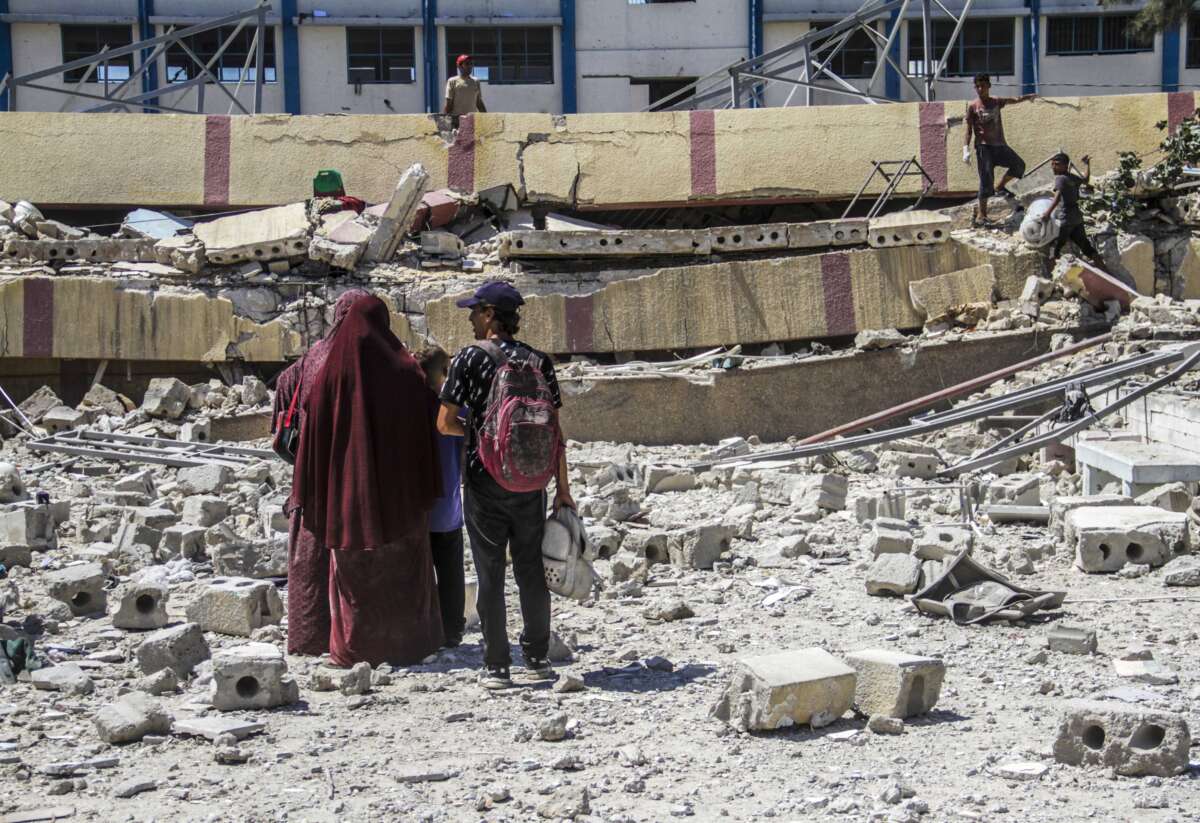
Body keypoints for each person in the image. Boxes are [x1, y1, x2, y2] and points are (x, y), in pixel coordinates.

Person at [290, 294, 445, 666]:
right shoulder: (408, 373)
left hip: (345, 500)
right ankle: (409, 644)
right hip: (402, 498)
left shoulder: (325, 374)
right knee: (403, 570)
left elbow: (310, 440)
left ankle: (351, 648)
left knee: (351, 573)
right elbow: (428, 435)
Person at [436, 281, 574, 690]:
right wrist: (563, 488)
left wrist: (481, 432)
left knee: (490, 571)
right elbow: (556, 431)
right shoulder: (539, 361)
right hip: (532, 482)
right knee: (531, 570)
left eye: (476, 310)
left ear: (491, 314)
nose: (470, 317)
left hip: (484, 481)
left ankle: (497, 667)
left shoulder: (469, 358)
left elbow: (444, 423)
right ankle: (537, 660)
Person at [273, 288, 369, 657]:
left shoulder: (312, 358)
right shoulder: (374, 360)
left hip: (312, 482)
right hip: (356, 483)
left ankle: (310, 636)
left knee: (312, 557)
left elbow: (285, 390)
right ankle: (354, 638)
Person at [415, 345, 466, 649]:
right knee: (450, 571)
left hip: (415, 510)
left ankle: (422, 628)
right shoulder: (451, 409)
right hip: (446, 507)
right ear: (444, 373)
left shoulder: (407, 407)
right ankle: (452, 631)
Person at [963, 74, 1036, 226]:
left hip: (1000, 145)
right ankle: (982, 215)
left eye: (983, 85)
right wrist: (966, 149)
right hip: (984, 148)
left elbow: (1013, 100)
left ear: (989, 86)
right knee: (985, 180)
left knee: (1019, 165)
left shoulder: (996, 102)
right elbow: (969, 130)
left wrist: (1027, 97)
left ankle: (1001, 186)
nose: (980, 89)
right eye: (977, 86)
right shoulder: (973, 106)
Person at [1042, 152, 1111, 276]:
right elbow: (1085, 179)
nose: (1053, 167)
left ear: (1065, 166)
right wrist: (1087, 164)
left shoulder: (1060, 178)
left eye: (1057, 164)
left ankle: (1050, 278)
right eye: (1052, 164)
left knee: (1054, 247)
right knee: (1085, 246)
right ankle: (1105, 272)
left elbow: (1057, 197)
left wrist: (1047, 213)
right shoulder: (1072, 177)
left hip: (1065, 218)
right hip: (1077, 217)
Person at [444, 54, 486, 119]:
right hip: (457, 120)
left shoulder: (476, 81)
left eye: (471, 64)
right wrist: (445, 120)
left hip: (472, 121)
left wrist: (486, 117)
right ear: (459, 66)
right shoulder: (452, 81)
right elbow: (449, 104)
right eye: (467, 64)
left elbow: (479, 102)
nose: (470, 66)